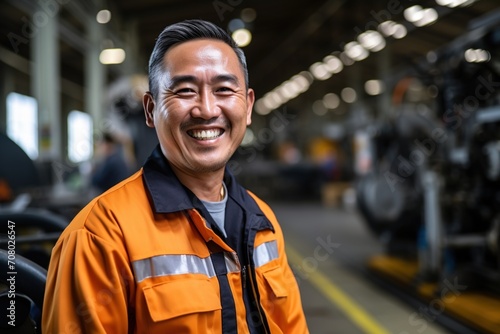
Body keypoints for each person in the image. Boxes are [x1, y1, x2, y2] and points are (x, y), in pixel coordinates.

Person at [42, 19, 309, 333]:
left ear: (248, 106)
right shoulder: (99, 236)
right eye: (185, 91)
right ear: (150, 110)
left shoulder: (262, 220)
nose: (207, 109)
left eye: (224, 90)